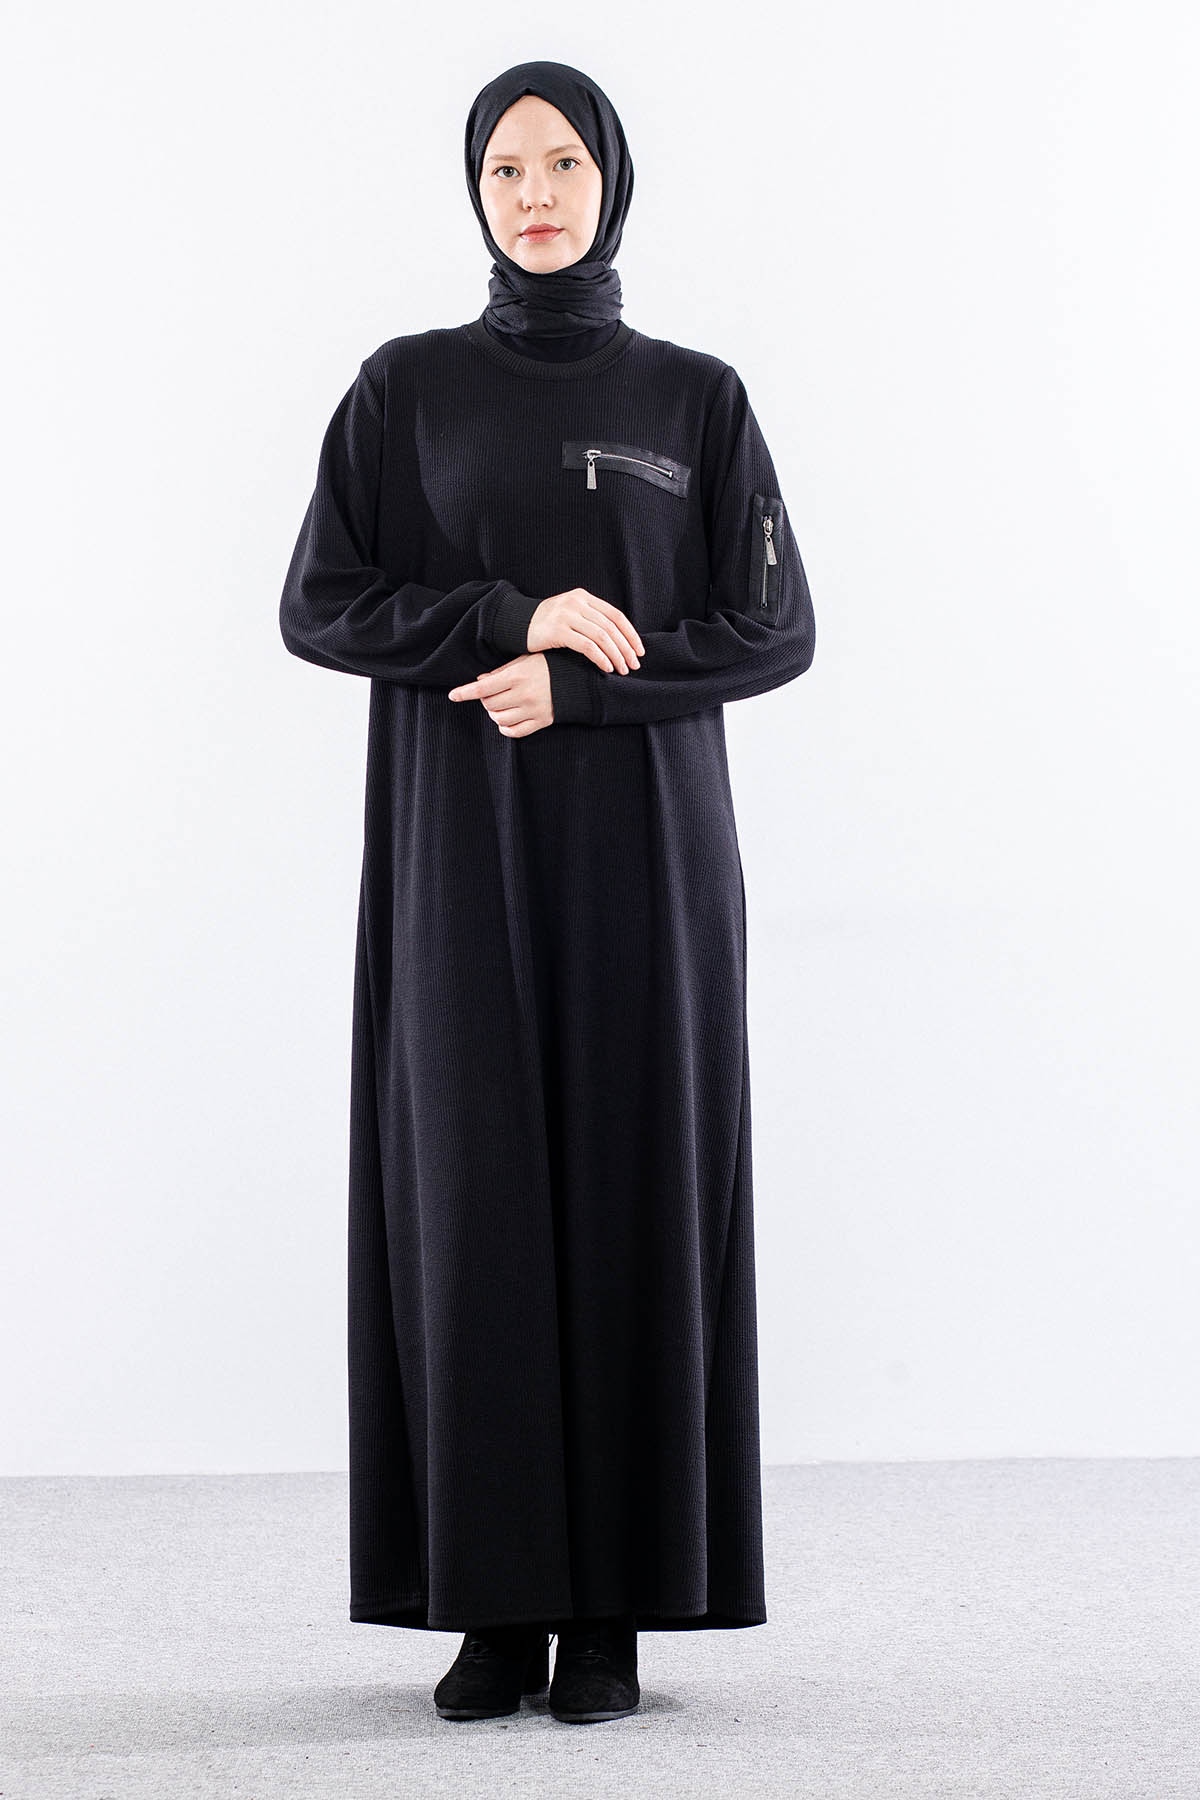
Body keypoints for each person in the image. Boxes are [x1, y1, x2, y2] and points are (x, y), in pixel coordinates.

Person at [278, 58, 816, 1727]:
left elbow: (775, 629)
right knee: (476, 1204)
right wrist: (506, 616)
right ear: (474, 189)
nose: (535, 193)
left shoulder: (695, 401)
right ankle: (496, 1608)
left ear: (611, 180)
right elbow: (319, 600)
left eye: (564, 162)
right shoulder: (406, 391)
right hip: (459, 863)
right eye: (506, 166)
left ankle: (613, 1618)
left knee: (636, 1194)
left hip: (649, 864)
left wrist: (582, 687)